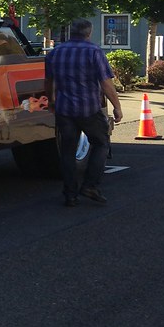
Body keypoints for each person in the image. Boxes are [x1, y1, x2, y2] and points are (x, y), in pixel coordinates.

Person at [45, 18, 123, 206]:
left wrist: (52, 101)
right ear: (88, 33)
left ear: (71, 32)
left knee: (67, 151)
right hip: (89, 109)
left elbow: (48, 81)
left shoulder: (55, 52)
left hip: (64, 109)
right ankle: (90, 185)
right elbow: (106, 83)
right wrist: (117, 106)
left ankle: (70, 194)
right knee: (101, 143)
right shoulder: (94, 51)